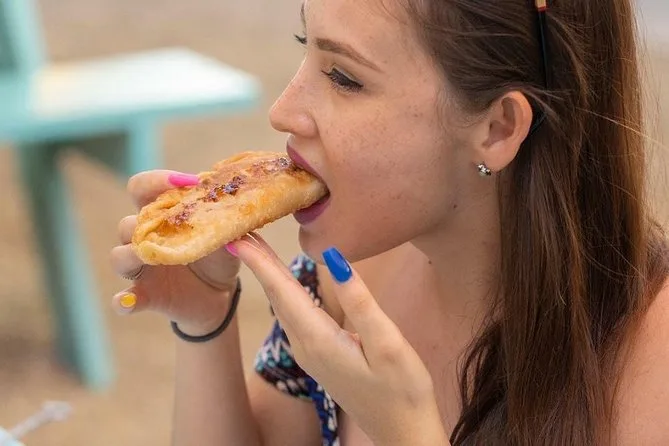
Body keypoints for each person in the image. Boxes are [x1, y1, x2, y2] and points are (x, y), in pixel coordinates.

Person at [109, 0, 669, 444]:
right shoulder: (345, 276)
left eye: (343, 77)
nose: (282, 111)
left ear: (498, 128)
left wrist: (403, 431)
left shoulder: (653, 369)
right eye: (306, 47)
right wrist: (206, 319)